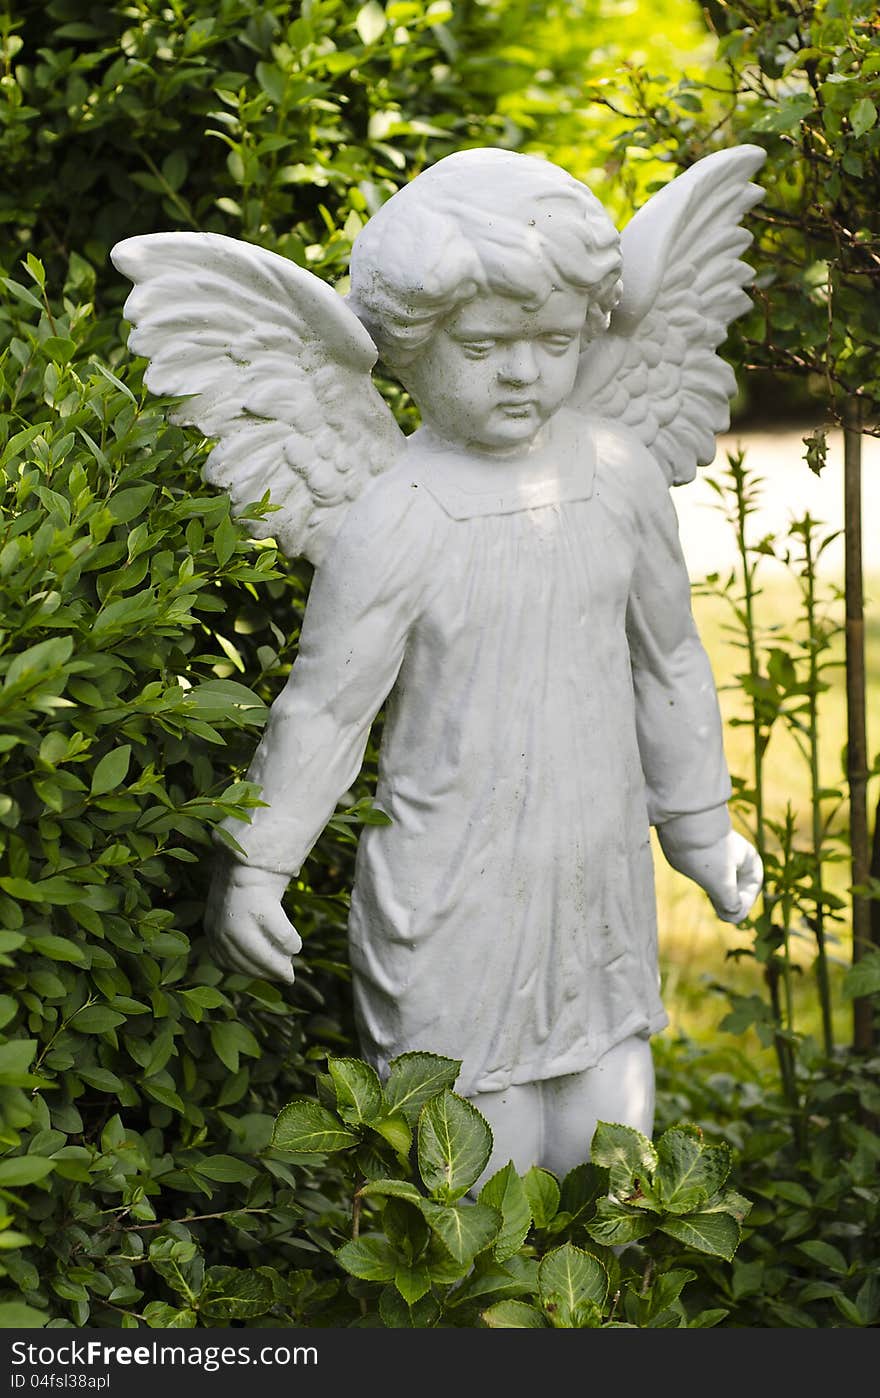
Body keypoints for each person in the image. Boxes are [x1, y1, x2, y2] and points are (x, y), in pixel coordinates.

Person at [206, 150, 762, 1179]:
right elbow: (327, 710)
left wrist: (698, 826)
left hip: (595, 863)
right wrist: (260, 862)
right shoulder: (397, 516)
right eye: (483, 346)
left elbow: (669, 660)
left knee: (611, 1152)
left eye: (554, 341)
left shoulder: (616, 474)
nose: (522, 372)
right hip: (450, 881)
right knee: (474, 1162)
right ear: (410, 350)